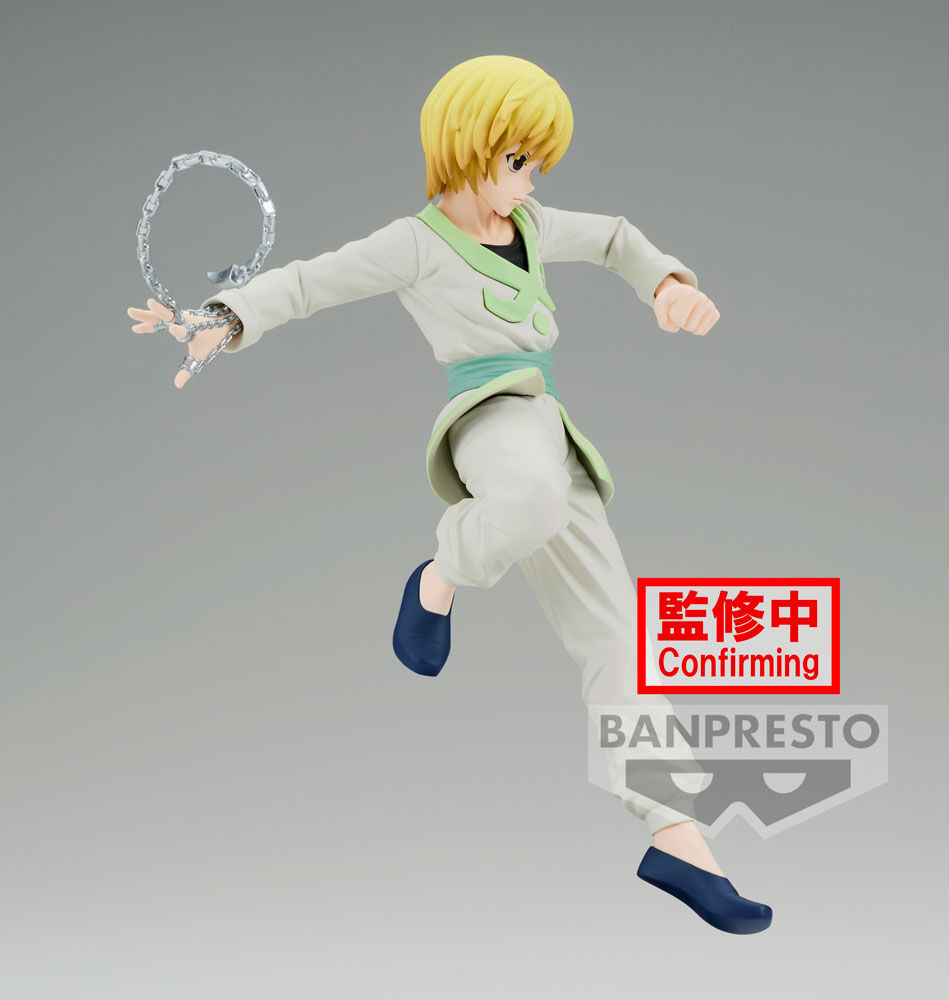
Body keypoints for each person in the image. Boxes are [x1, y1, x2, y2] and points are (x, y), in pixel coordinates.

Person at [127, 54, 771, 934]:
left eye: (537, 162)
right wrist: (226, 317)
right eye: (517, 160)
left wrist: (666, 283)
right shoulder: (417, 243)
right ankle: (438, 577)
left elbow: (616, 236)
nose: (529, 180)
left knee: (618, 635)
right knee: (529, 501)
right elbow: (312, 281)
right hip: (488, 419)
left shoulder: (532, 223)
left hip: (549, 427)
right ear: (467, 147)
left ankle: (677, 837)